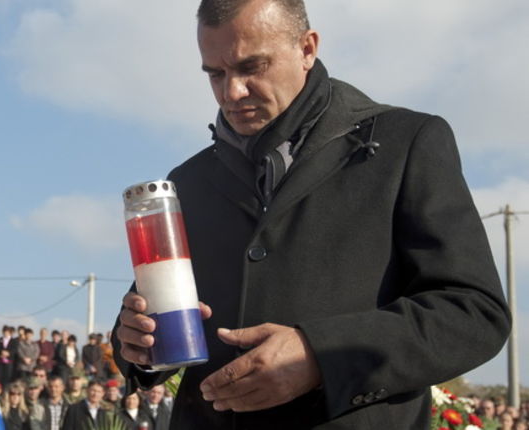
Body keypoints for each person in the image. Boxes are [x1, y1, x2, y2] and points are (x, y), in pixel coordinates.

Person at [111, 0, 512, 428]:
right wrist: (135, 341)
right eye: (216, 73)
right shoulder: (185, 182)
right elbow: (150, 325)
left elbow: (474, 314)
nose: (232, 92)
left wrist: (320, 355)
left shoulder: (406, 143)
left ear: (307, 48)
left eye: (252, 67)